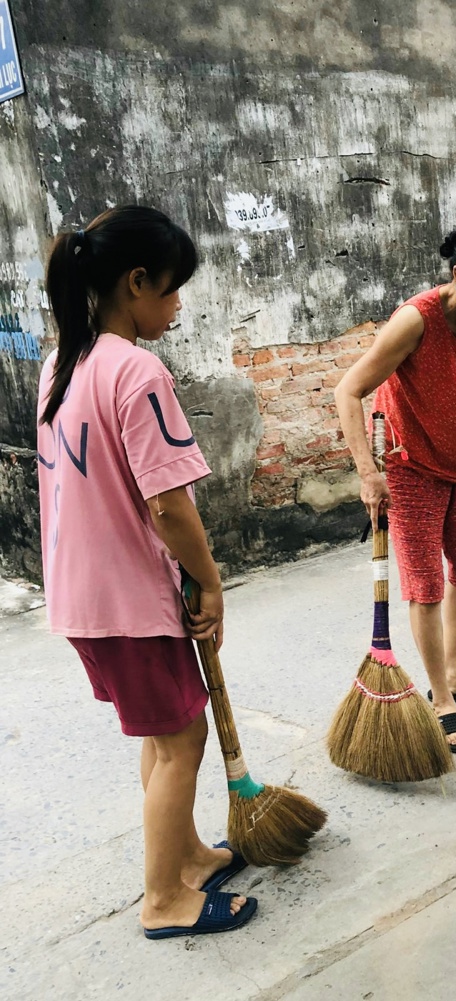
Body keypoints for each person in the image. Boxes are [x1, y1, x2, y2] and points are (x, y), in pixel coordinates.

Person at [37, 206, 256, 938]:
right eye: (171, 289)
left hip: (83, 599)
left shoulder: (63, 361)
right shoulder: (136, 370)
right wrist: (211, 580)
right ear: (136, 283)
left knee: (163, 737)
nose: (179, 304)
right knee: (181, 741)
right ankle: (164, 897)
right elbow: (169, 506)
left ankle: (187, 852)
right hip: (129, 601)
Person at [335, 216, 456, 753]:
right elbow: (348, 391)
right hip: (410, 468)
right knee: (426, 586)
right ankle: (442, 699)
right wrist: (368, 475)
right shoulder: (414, 321)